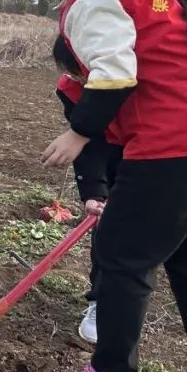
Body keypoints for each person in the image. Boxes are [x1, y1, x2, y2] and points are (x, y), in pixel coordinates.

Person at [31, 0, 187, 372]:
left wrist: (78, 131)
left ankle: (110, 370)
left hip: (171, 143)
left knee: (120, 258)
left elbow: (114, 72)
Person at [52, 35, 123, 346]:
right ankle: (102, 302)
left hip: (157, 154)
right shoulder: (71, 89)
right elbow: (88, 141)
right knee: (108, 230)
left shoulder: (132, 76)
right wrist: (94, 191)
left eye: (80, 72)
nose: (76, 79)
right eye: (72, 73)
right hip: (108, 153)